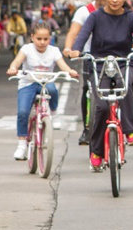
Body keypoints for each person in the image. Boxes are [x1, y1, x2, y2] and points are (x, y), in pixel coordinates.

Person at [69, 0, 133, 170]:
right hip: (100, 65)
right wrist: (76, 50)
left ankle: (130, 130)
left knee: (126, 88)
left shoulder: (131, 17)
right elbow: (82, 36)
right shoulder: (95, 17)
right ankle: (97, 151)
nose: (115, 0)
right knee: (101, 108)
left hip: (124, 62)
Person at [6, 22, 79, 160]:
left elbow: (62, 65)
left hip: (45, 82)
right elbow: (16, 62)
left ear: (49, 39)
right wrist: (13, 69)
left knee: (53, 89)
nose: (42, 42)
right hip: (28, 83)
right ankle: (22, 145)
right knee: (22, 112)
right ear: (32, 37)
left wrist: (70, 71)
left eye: (45, 39)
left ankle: (54, 114)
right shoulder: (26, 49)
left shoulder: (54, 51)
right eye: (39, 39)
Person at [64, 0, 108, 146]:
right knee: (87, 90)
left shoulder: (118, 11)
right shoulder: (84, 11)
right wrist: (69, 48)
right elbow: (73, 32)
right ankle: (87, 128)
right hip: (90, 57)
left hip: (111, 58)